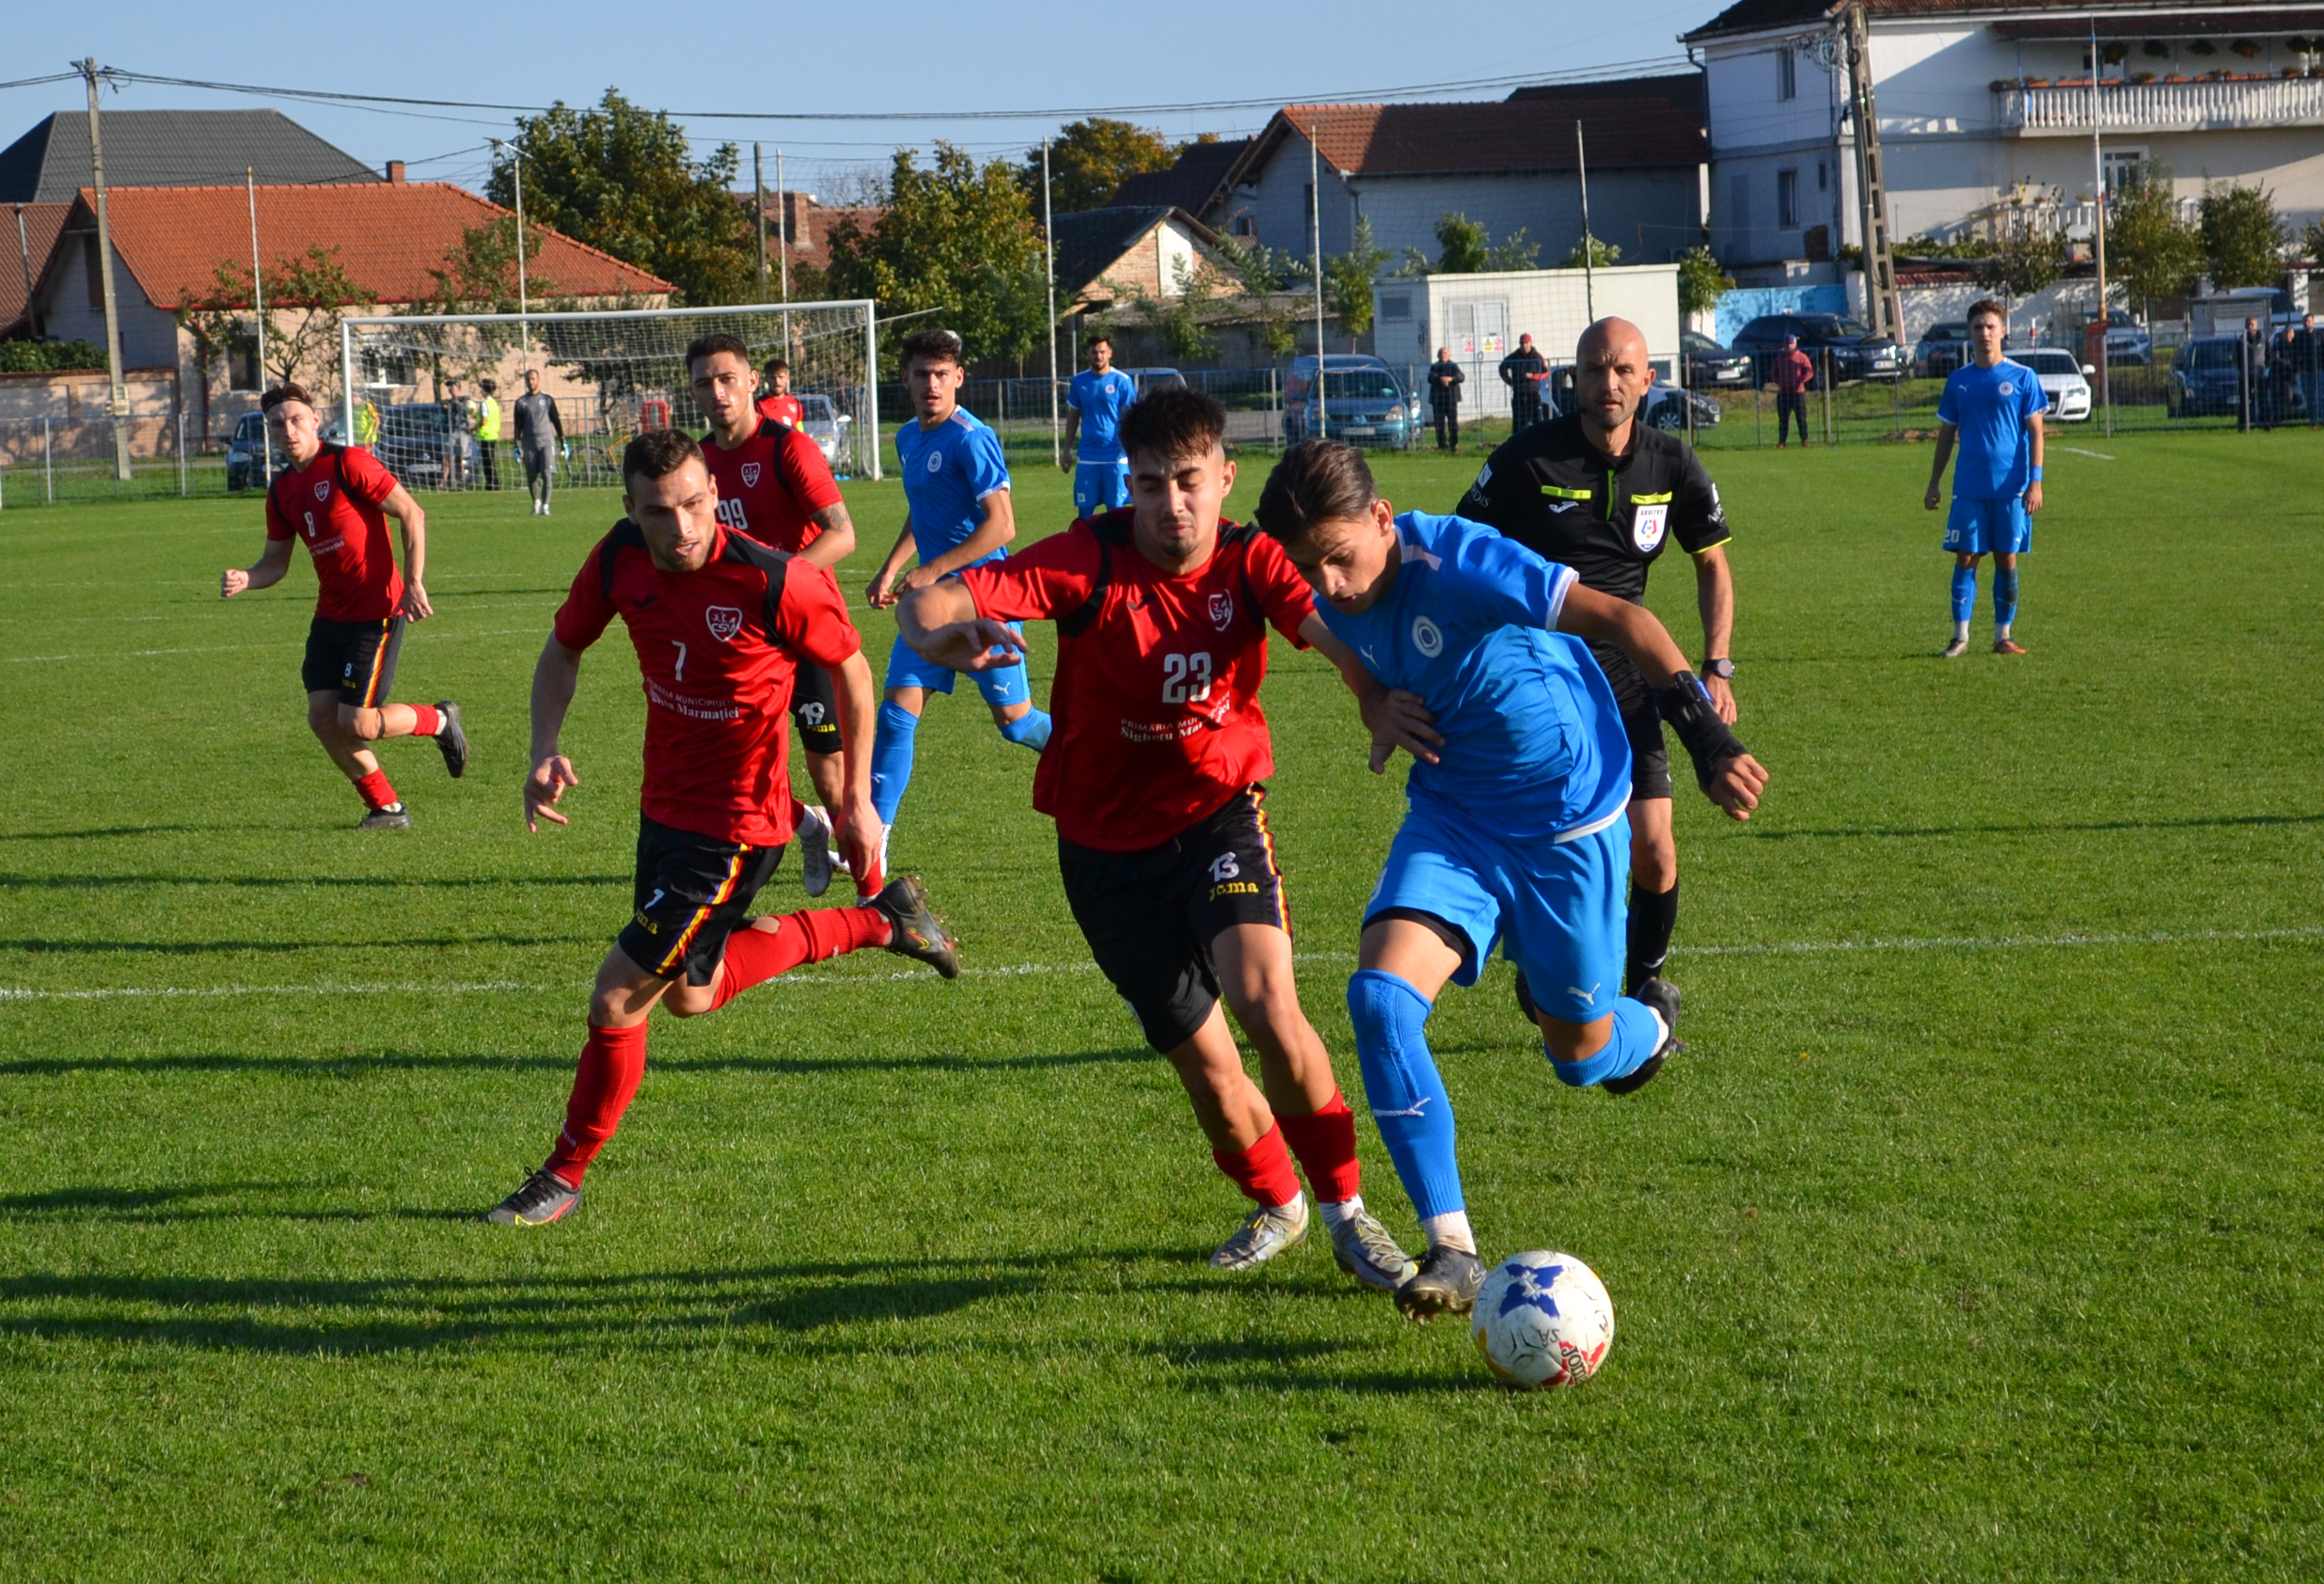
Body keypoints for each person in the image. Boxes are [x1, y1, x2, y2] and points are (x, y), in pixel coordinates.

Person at [893, 388, 1415, 1287]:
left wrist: (1369, 693)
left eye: (1186, 482)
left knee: (1265, 1004)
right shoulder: (1088, 557)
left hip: (1217, 813)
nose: (1170, 504)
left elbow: (1325, 628)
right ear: (1125, 487)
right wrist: (942, 636)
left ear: (1223, 476)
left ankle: (1347, 1214)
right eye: (1148, 485)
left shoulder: (1252, 559)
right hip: (1102, 848)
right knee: (1212, 1074)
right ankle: (1279, 1203)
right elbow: (928, 599)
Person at [1254, 439, 1768, 1318]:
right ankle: (1450, 1247)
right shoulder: (1323, 591)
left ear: (1381, 519)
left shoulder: (1460, 559)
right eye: (1310, 566)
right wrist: (1372, 701)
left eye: (1340, 558)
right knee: (1378, 999)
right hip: (1455, 816)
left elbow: (1626, 622)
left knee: (1577, 1058)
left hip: (1568, 818)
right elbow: (1340, 642)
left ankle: (1646, 1024)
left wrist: (1708, 738)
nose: (1329, 583)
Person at [487, 429, 960, 1228]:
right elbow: (563, 648)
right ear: (630, 510)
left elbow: (848, 666)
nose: (681, 529)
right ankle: (877, 923)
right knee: (691, 997)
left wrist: (855, 799)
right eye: (658, 512)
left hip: (739, 827)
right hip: (662, 810)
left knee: (616, 1001)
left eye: (694, 505)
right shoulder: (617, 559)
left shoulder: (775, 578)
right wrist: (543, 748)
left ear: (714, 493)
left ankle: (562, 1175)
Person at [1458, 316, 1737, 1012]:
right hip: (1538, 675)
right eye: (1592, 370)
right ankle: (1545, 957)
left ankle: (1643, 982)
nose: (1606, 383)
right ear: (1570, 379)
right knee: (1554, 841)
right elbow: (1460, 552)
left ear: (1647, 380)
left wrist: (1717, 664)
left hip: (1628, 667)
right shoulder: (1525, 459)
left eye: (1621, 370)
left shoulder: (1671, 462)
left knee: (1654, 850)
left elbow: (1712, 565)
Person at [220, 382, 467, 829]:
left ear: (315, 419)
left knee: (357, 723)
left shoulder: (347, 462)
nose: (288, 430)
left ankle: (438, 720)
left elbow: (412, 513)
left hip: (377, 610)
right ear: (271, 433)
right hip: (330, 616)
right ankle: (386, 808)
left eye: (296, 419)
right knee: (322, 717)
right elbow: (275, 564)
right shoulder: (281, 492)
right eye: (278, 424)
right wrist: (247, 578)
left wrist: (413, 582)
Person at [863, 327, 1052, 862]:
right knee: (897, 714)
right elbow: (922, 507)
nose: (932, 384)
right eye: (922, 373)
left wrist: (935, 569)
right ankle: (875, 836)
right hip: (931, 602)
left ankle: (1098, 760)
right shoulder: (906, 437)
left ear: (959, 379)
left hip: (986, 597)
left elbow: (1003, 526)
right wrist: (892, 567)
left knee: (1017, 725)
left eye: (942, 375)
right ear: (905, 378)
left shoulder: (971, 438)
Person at [688, 331, 862, 897]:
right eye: (704, 384)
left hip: (805, 631)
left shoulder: (788, 448)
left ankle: (870, 890)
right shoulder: (698, 463)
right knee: (731, 775)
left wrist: (777, 587)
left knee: (831, 780)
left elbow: (842, 535)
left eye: (727, 379)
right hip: (738, 638)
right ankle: (807, 828)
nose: (717, 392)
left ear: (751, 382)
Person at [1924, 297, 2044, 658]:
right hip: (1970, 488)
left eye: (1991, 326)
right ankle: (1960, 637)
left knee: (2007, 559)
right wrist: (1934, 483)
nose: (1985, 333)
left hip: (2012, 489)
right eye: (1978, 327)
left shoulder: (2022, 377)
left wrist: (2036, 482)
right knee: (1966, 558)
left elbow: (2037, 432)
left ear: (2003, 331)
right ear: (1970, 333)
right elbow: (1946, 435)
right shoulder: (1959, 381)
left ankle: (2002, 636)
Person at [1062, 333, 1138, 518]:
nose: (1098, 356)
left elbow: (1134, 418)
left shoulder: (1122, 381)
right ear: (1088, 354)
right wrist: (1066, 450)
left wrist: (1135, 452)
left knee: (1116, 512)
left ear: (1110, 353)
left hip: (1116, 455)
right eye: (1094, 352)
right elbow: (1073, 416)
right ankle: (1087, 547)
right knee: (1085, 514)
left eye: (1102, 352)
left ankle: (1115, 547)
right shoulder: (1080, 381)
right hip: (1088, 456)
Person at [513, 369, 562, 516]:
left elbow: (555, 419)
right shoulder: (521, 402)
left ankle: (546, 505)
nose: (531, 382)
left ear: (539, 380)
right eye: (528, 379)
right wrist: (516, 444)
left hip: (546, 442)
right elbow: (518, 425)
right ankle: (536, 502)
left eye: (533, 379)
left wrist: (562, 439)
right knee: (532, 476)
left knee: (547, 474)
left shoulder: (547, 399)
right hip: (529, 444)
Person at [1772, 333, 1815, 448]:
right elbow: (1773, 372)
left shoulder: (1802, 357)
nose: (1789, 346)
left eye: (1791, 344)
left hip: (1798, 392)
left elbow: (1809, 371)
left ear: (1795, 344)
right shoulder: (1780, 358)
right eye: (1787, 344)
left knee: (1801, 418)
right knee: (1783, 419)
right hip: (1784, 392)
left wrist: (1801, 380)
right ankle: (1782, 442)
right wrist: (1779, 381)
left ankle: (1804, 440)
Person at [1499, 333, 1547, 432]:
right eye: (1522, 343)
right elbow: (1502, 368)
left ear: (1531, 343)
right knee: (1519, 423)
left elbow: (1546, 373)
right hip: (1519, 394)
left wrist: (1534, 376)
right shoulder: (1514, 356)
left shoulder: (1537, 357)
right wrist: (1510, 382)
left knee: (1537, 422)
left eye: (1526, 343)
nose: (1524, 345)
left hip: (1533, 394)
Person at [1427, 347, 1464, 451]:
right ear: (1438, 356)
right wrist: (1440, 379)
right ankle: (1442, 445)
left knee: (1453, 423)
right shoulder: (1434, 366)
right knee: (1439, 424)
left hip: (1451, 399)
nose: (1443, 355)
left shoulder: (1453, 366)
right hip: (1438, 400)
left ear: (1449, 355)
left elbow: (1461, 377)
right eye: (1441, 353)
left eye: (1445, 353)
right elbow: (1430, 377)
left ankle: (1454, 444)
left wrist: (1450, 379)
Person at [2291, 312, 2324, 427]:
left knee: (2321, 396)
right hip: (2305, 372)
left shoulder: (2320, 336)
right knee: (2310, 398)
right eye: (2305, 321)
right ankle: (2314, 421)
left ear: (2313, 322)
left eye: (2309, 321)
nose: (2307, 324)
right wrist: (2298, 367)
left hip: (2320, 371)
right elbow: (2294, 355)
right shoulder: (2299, 338)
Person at [2240, 315, 2272, 432]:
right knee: (2244, 401)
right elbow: (2236, 357)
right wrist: (2242, 369)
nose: (2250, 327)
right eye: (2248, 324)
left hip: (2261, 376)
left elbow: (2269, 355)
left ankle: (2266, 424)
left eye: (2252, 324)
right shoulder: (2240, 340)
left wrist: (2266, 368)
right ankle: (2244, 425)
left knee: (2263, 399)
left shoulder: (2263, 340)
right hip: (2245, 376)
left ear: (2257, 326)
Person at [757, 357, 803, 428]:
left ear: (787, 378)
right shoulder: (758, 406)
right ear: (766, 379)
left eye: (781, 377)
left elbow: (800, 431)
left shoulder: (795, 403)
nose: (777, 382)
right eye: (773, 378)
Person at [475, 378, 502, 491]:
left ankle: (492, 483)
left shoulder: (485, 403)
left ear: (485, 390)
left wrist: (472, 428)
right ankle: (493, 482)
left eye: (482, 388)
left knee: (487, 461)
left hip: (486, 435)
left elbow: (484, 421)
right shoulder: (494, 403)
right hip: (493, 434)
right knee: (490, 460)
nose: (480, 391)